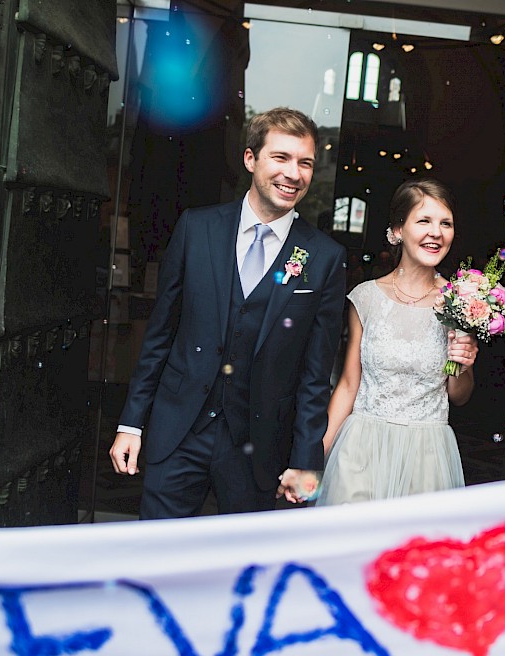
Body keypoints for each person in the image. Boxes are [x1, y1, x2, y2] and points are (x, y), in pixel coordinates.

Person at [109, 107, 347, 519]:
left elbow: (315, 373)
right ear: (250, 159)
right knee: (156, 556)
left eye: (305, 163)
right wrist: (131, 423)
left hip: (256, 450)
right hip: (178, 433)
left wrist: (306, 459)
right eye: (281, 158)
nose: (294, 173)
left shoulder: (325, 258)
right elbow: (160, 335)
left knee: (241, 574)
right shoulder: (196, 229)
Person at [313, 178, 478, 505]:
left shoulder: (461, 302)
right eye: (424, 221)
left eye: (446, 223)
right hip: (361, 450)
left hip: (427, 456)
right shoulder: (366, 298)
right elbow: (348, 385)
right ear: (398, 230)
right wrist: (315, 460)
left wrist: (460, 363)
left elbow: (459, 395)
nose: (436, 232)